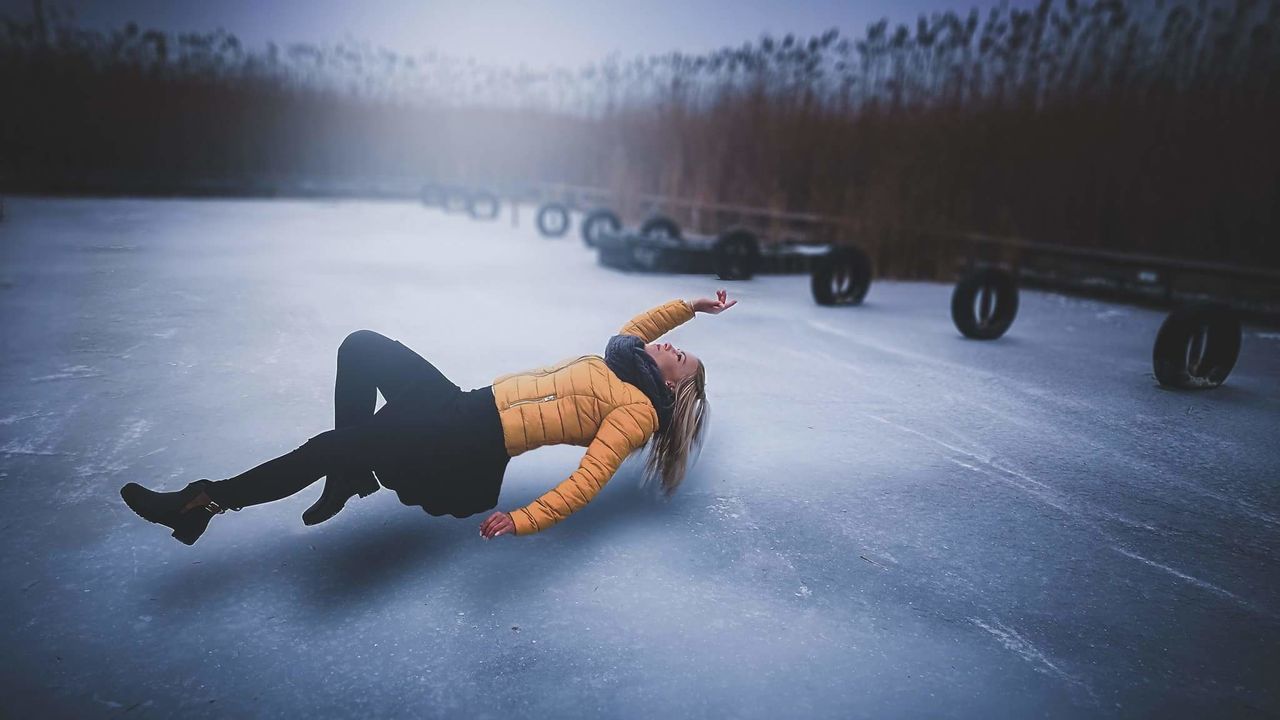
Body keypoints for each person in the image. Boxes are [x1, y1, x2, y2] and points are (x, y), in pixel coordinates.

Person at [120, 291, 737, 545]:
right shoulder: (624, 357)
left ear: (670, 384)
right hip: (462, 402)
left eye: (678, 357)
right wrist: (694, 308)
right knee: (361, 346)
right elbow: (645, 324)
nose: (667, 346)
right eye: (673, 344)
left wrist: (523, 519)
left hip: (470, 443)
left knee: (327, 446)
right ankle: (347, 473)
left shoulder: (635, 412)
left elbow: (585, 482)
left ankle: (200, 503)